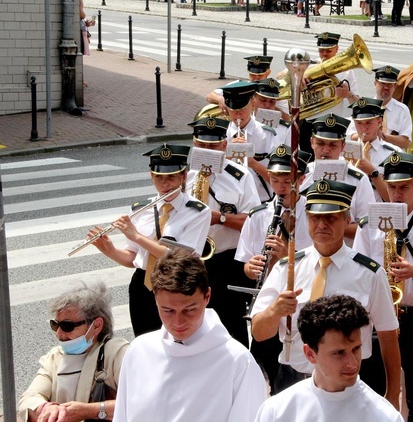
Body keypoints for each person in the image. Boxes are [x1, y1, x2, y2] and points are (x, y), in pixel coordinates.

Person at [249, 180, 401, 405]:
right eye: (314, 217)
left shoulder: (369, 273)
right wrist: (275, 311)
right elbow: (259, 333)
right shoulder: (287, 268)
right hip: (295, 381)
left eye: (330, 217)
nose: (321, 225)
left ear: (347, 220)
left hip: (350, 384)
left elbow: (388, 338)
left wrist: (392, 395)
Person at [352, 152, 413, 422]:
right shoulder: (368, 224)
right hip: (376, 318)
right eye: (392, 186)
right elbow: (356, 273)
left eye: (404, 187)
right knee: (375, 388)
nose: (396, 193)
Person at [113, 251, 266, 421]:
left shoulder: (238, 362)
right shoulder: (139, 351)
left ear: (207, 296)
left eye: (190, 310)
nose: (178, 322)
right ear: (155, 298)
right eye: (168, 311)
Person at [87, 144, 211, 336]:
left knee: (177, 339)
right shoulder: (140, 209)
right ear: (151, 176)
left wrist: (136, 235)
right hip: (142, 285)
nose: (165, 184)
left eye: (171, 177)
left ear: (183, 176)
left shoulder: (198, 212)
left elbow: (182, 257)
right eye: (159, 177)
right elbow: (133, 258)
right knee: (144, 340)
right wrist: (108, 249)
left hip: (177, 285)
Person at [254, 295, 403, 422]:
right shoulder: (277, 411)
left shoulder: (385, 416)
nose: (352, 363)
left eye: (356, 349)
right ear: (310, 354)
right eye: (339, 353)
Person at [237, 145, 313, 393]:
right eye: (275, 180)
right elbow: (246, 265)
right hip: (268, 305)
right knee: (267, 370)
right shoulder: (258, 216)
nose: (280, 188)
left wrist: (286, 253)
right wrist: (252, 267)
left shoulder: (315, 215)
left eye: (287, 181)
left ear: (301, 180)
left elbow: (318, 261)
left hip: (302, 302)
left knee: (297, 374)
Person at [186, 117, 260, 347]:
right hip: (192, 259)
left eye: (213, 146)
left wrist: (222, 218)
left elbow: (254, 221)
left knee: (232, 328)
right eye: (202, 146)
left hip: (226, 261)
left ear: (224, 145)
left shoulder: (240, 176)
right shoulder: (185, 177)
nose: (207, 151)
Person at [18, 283, 129, 422]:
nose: (59, 334)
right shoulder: (54, 357)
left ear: (96, 325)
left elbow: (138, 402)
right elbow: (28, 398)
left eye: (67, 326)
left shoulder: (117, 352)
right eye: (55, 325)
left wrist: (87, 411)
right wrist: (45, 408)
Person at [298, 113, 375, 241]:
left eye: (333, 145)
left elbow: (368, 228)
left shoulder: (358, 179)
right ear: (312, 142)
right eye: (320, 143)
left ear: (343, 146)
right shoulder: (301, 175)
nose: (326, 150)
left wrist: (329, 226)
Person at [220, 81, 279, 202]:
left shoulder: (267, 135)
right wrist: (227, 157)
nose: (238, 114)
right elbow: (205, 176)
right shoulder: (219, 135)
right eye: (233, 110)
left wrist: (253, 163)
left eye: (242, 109)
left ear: (252, 104)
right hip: (227, 204)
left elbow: (280, 180)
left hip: (262, 203)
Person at [347, 65, 412, 151]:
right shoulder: (362, 106)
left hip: (393, 156)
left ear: (395, 86)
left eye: (389, 85)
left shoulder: (402, 110)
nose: (386, 87)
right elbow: (351, 136)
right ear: (375, 84)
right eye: (382, 83)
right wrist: (369, 134)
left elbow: (406, 142)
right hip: (367, 153)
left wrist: (383, 137)